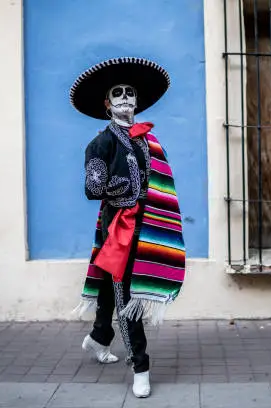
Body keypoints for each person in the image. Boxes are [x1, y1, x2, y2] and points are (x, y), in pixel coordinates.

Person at [69, 57, 186, 398]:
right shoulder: (100, 143)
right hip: (118, 228)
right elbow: (93, 188)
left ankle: (99, 337)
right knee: (126, 296)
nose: (124, 97)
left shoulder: (149, 141)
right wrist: (123, 187)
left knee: (108, 284)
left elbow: (158, 184)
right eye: (117, 93)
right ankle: (141, 366)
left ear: (136, 101)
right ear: (107, 103)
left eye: (129, 93)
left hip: (147, 226)